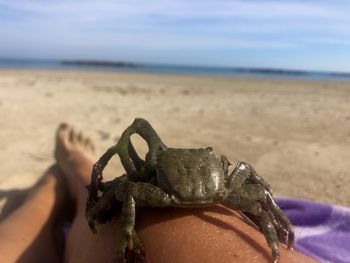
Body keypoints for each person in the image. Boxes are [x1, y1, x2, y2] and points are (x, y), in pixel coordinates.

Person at [0, 124, 314, 263]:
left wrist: (126, 231)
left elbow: (131, 193)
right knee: (260, 196)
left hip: (167, 195)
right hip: (220, 193)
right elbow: (259, 192)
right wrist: (275, 228)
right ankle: (71, 175)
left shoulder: (158, 185)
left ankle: (64, 181)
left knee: (119, 188)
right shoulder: (230, 182)